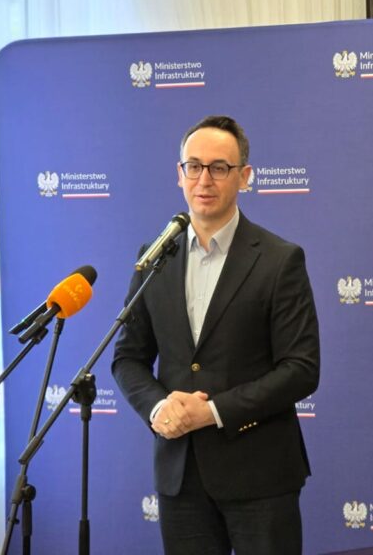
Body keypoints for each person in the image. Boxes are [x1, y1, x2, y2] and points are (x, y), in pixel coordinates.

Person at [112, 115, 320, 555]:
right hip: (180, 476)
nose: (204, 179)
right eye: (194, 166)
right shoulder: (155, 258)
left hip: (261, 476)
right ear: (179, 174)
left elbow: (301, 369)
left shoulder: (280, 260)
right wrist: (158, 407)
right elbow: (128, 357)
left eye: (219, 168)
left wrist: (213, 412)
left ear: (244, 176)